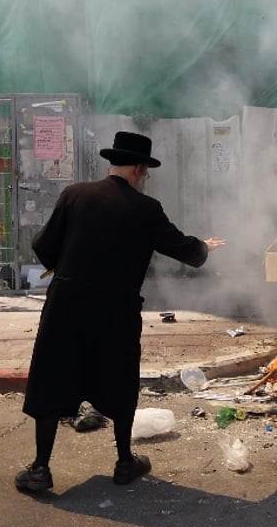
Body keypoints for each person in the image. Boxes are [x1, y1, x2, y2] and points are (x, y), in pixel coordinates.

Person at [15, 131, 225, 494]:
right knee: (118, 378)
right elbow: (185, 251)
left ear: (113, 163)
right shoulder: (146, 209)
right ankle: (125, 462)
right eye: (145, 171)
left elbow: (42, 244)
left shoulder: (75, 194)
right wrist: (204, 247)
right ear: (140, 168)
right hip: (116, 308)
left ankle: (40, 469)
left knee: (53, 376)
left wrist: (66, 267)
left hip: (66, 303)